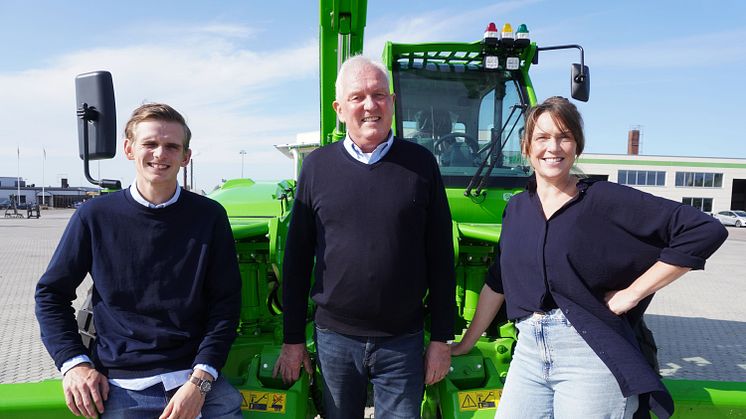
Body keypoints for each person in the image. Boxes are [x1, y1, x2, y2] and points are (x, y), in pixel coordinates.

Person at [451, 96, 727, 419]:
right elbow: (497, 281)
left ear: (576, 147)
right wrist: (466, 344)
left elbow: (704, 230)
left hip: (588, 356)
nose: (552, 147)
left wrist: (632, 293)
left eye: (563, 137)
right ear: (526, 147)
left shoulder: (602, 200)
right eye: (542, 138)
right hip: (527, 352)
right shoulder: (516, 209)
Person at [273, 56, 455, 418]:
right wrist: (293, 340)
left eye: (379, 95)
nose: (370, 105)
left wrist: (440, 339)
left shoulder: (421, 164)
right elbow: (296, 261)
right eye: (358, 97)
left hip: (402, 341)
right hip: (335, 340)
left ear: (392, 102)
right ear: (340, 109)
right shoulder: (317, 167)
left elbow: (440, 257)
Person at [35, 103, 243, 419]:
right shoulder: (94, 217)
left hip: (196, 379)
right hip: (122, 385)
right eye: (150, 144)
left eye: (172, 146)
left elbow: (225, 304)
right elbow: (50, 295)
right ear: (129, 149)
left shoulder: (209, 217)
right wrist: (74, 363)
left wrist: (200, 382)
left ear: (185, 157)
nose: (161, 153)